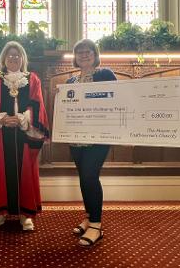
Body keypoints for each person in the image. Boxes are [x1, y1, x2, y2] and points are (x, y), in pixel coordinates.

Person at [0, 41, 49, 231]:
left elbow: (38, 105)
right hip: (1, 135)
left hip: (24, 135)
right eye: (10, 55)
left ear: (23, 58)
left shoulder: (33, 79)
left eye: (17, 55)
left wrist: (23, 119)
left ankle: (26, 215)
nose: (13, 58)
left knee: (27, 173)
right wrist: (1, 118)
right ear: (3, 59)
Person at [67, 39, 116, 246]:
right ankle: (88, 217)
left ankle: (96, 225)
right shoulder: (70, 82)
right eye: (80, 52)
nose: (84, 55)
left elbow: (119, 101)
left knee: (90, 175)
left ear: (95, 55)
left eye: (88, 52)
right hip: (76, 139)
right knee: (83, 177)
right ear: (75, 58)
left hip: (99, 137)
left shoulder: (106, 75)